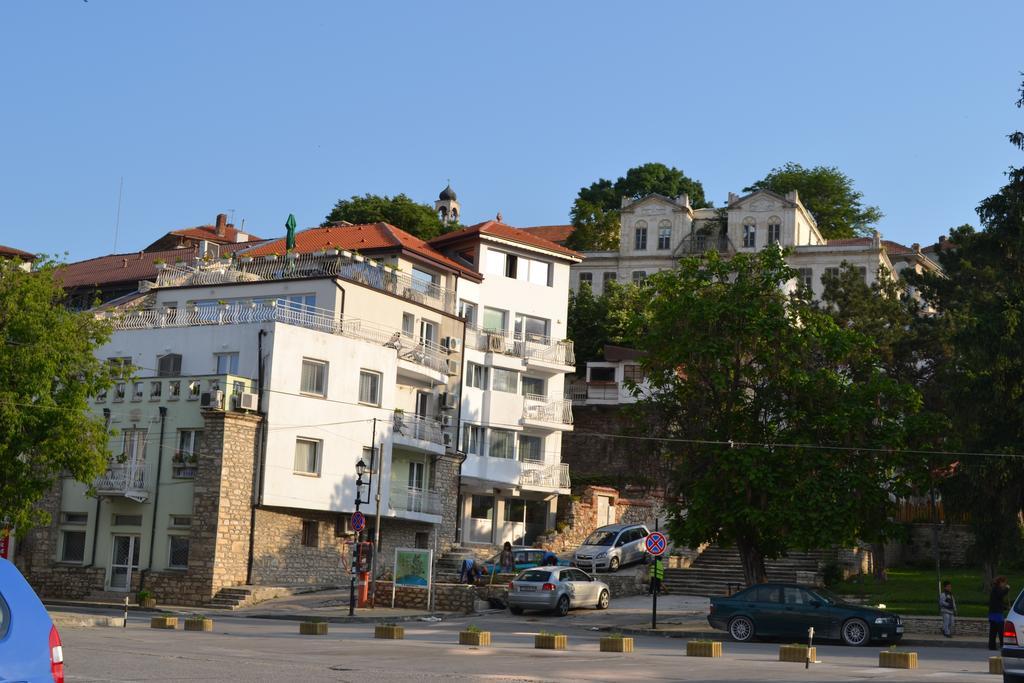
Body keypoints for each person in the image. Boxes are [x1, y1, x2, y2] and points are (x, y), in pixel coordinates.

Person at [989, 576, 1010, 650]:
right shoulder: (997, 589)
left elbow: (998, 602)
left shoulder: (995, 589)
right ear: (1001, 582)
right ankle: (1001, 645)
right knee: (1000, 631)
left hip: (993, 613)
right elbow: (1000, 595)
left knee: (993, 631)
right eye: (1004, 583)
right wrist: (1007, 589)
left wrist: (1005, 608)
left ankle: (992, 646)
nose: (1005, 585)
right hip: (997, 614)